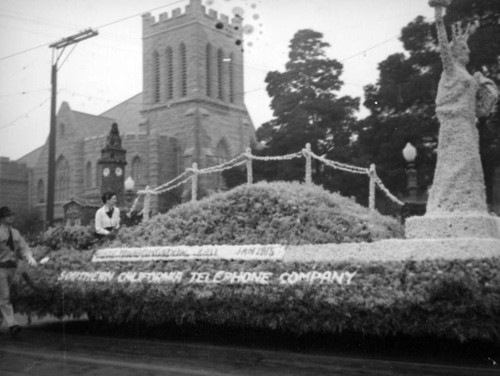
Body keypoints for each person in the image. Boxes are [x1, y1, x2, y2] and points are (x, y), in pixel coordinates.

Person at [426, 0, 498, 214]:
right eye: (464, 48)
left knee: (470, 163)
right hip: (454, 125)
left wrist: (482, 84)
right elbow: (442, 45)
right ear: (455, 52)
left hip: (469, 126)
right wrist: (439, 17)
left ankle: (470, 205)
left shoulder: (468, 75)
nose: (468, 51)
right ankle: (449, 207)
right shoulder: (451, 70)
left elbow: (477, 105)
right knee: (455, 164)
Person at [0, 206, 37, 338]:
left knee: (5, 297)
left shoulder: (15, 233)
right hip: (0, 269)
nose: (12, 217)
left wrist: (30, 257)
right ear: (2, 218)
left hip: (12, 269)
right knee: (4, 297)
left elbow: (23, 247)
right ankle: (13, 325)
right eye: (9, 216)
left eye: (12, 215)